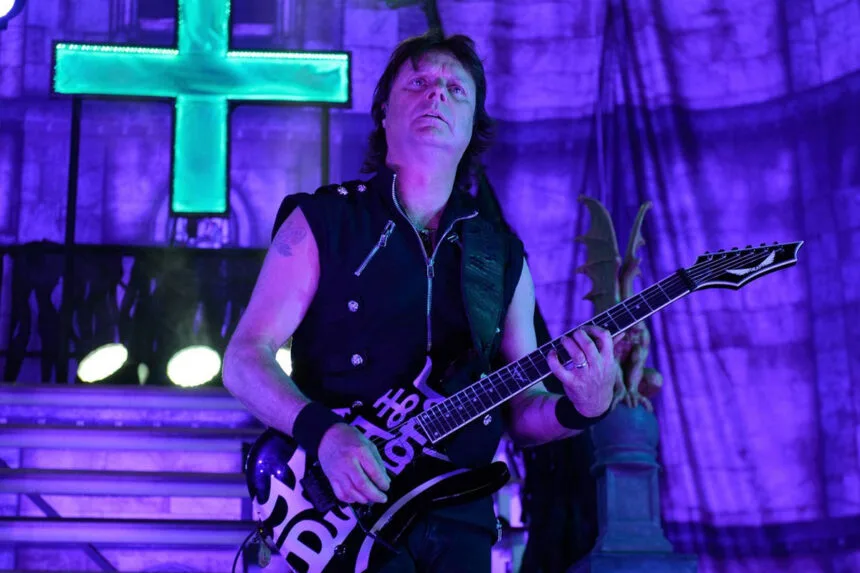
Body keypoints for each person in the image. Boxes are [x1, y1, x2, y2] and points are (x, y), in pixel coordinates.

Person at [224, 31, 624, 573]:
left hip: (460, 519)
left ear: (473, 125)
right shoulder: (322, 221)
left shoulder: (500, 253)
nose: (437, 94)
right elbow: (243, 360)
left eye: (456, 89)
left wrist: (585, 406)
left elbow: (522, 412)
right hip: (342, 511)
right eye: (419, 82)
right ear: (383, 110)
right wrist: (325, 434)